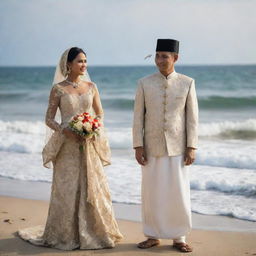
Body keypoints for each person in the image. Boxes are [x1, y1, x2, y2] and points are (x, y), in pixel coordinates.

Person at [18, 47, 123, 250]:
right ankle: (66, 234)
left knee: (92, 188)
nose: (84, 65)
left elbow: (100, 114)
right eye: (80, 61)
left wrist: (92, 127)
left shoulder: (92, 86)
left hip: (88, 143)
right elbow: (48, 119)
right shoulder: (58, 89)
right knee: (67, 189)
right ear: (68, 64)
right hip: (66, 145)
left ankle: (94, 232)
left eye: (85, 61)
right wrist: (65, 130)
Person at [133, 39, 198, 253]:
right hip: (151, 146)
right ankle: (152, 235)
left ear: (175, 58)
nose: (160, 60)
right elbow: (137, 119)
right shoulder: (144, 83)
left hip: (178, 147)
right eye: (157, 55)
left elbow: (192, 118)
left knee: (178, 193)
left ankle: (179, 237)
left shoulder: (187, 83)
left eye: (165, 56)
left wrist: (192, 146)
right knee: (151, 193)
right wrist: (138, 146)